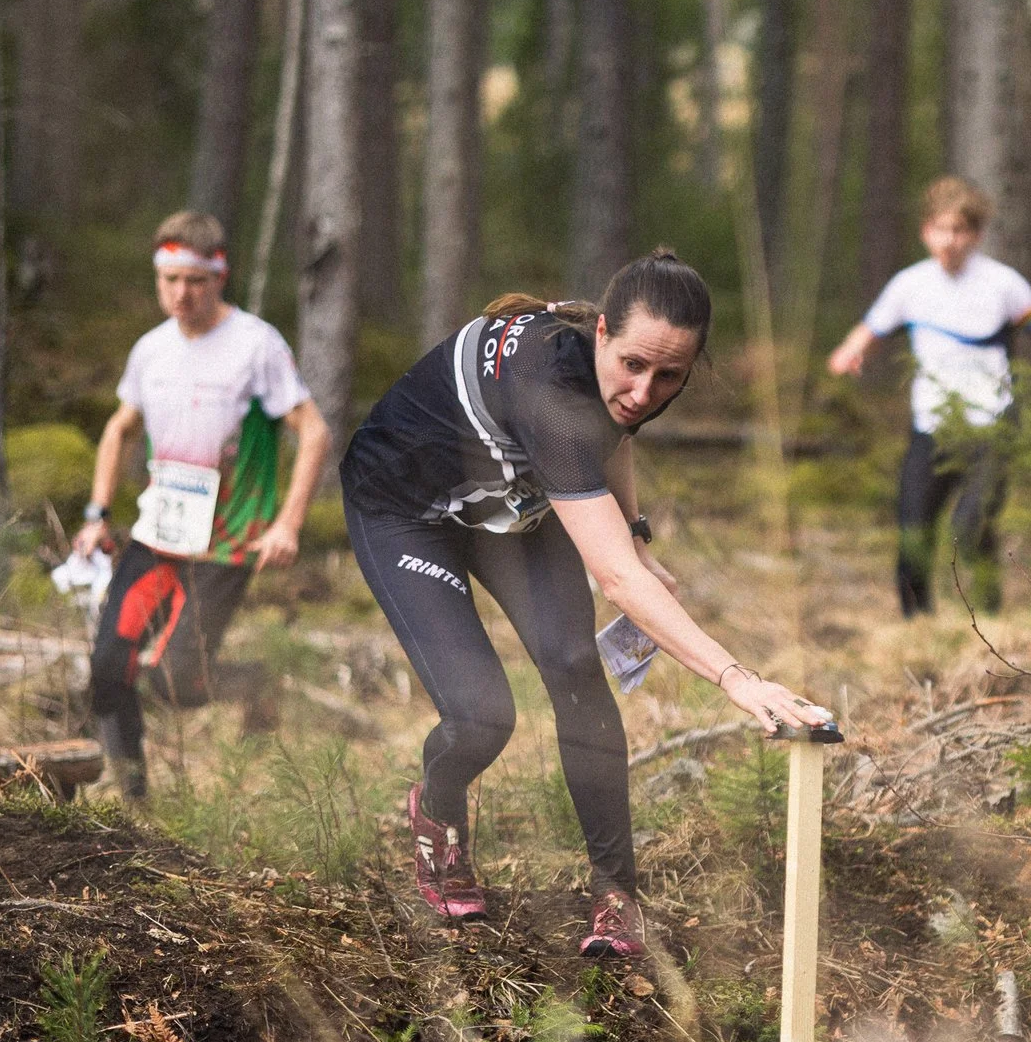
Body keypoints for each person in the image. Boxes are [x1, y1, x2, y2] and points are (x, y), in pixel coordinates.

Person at [340, 248, 826, 950]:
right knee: (482, 715)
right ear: (601, 332)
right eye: (633, 365)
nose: (645, 389)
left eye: (670, 375)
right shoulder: (556, 401)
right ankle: (438, 811)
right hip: (405, 506)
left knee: (572, 662)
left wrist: (636, 533)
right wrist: (736, 678)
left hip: (509, 502)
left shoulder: (625, 369)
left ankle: (616, 891)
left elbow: (617, 433)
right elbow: (616, 579)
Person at [73, 211, 331, 801]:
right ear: (157, 277)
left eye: (194, 280)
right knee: (108, 669)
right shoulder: (150, 350)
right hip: (158, 533)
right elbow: (119, 429)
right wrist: (96, 515)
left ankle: (257, 684)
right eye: (169, 280)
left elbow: (313, 432)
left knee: (173, 680)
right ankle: (134, 805)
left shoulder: (255, 344)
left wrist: (287, 525)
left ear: (219, 277)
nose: (181, 294)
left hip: (229, 540)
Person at [826, 176, 1031, 617]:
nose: (950, 240)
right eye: (941, 229)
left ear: (976, 235)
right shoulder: (909, 285)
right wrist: (848, 354)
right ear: (925, 231)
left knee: (970, 526)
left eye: (960, 230)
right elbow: (869, 331)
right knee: (912, 531)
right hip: (932, 428)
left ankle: (989, 618)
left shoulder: (1002, 284)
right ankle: (917, 627)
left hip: (992, 426)